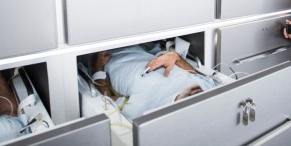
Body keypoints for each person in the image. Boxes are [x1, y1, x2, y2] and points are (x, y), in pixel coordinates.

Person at [89, 45, 218, 120]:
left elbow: (108, 98)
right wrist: (175, 57)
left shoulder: (143, 111)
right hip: (137, 46)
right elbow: (195, 73)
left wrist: (97, 68)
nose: (200, 96)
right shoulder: (208, 89)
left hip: (108, 55)